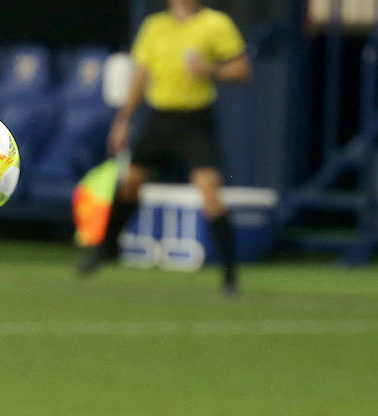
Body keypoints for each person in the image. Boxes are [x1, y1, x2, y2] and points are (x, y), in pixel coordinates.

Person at [77, 0, 252, 294]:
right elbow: (140, 77)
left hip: (195, 120)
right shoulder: (155, 26)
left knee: (209, 192)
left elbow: (242, 70)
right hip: (160, 118)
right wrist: (123, 121)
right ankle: (106, 249)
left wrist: (211, 69)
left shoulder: (215, 24)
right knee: (129, 183)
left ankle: (229, 275)